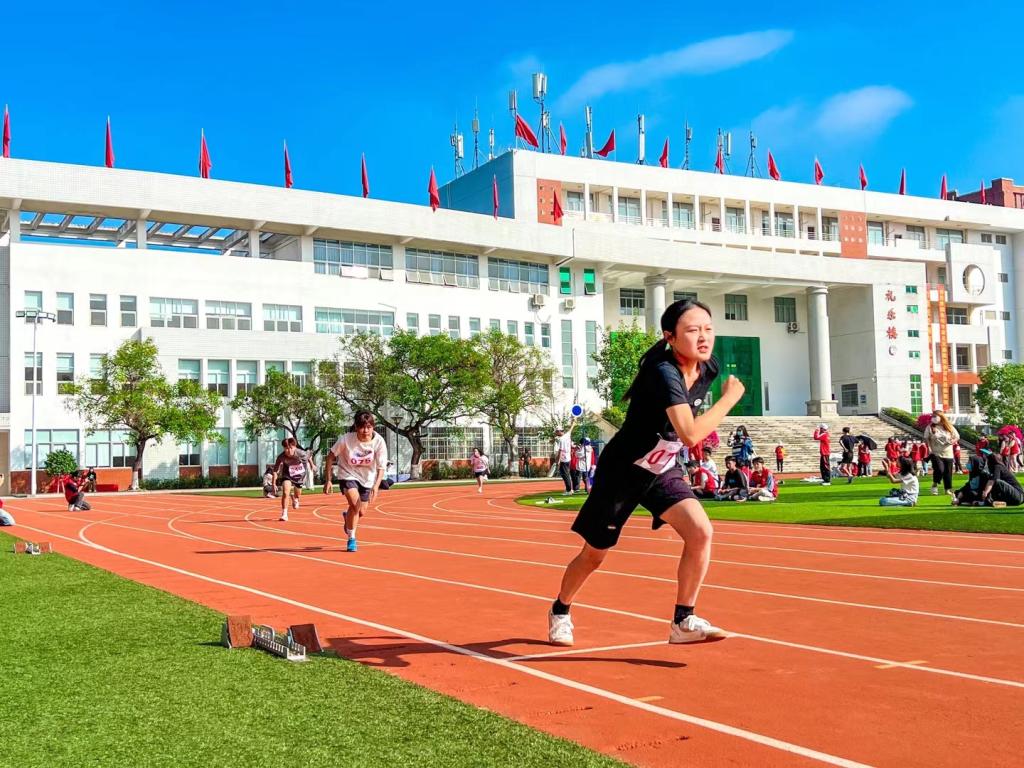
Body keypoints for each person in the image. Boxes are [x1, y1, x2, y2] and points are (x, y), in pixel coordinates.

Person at [548, 298, 745, 647]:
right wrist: (729, 399)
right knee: (594, 555)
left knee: (701, 531)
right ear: (670, 336)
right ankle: (560, 610)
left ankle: (683, 621)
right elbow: (690, 433)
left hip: (663, 467)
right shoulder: (663, 373)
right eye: (693, 330)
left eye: (708, 329)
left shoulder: (708, 367)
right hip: (622, 472)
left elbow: (683, 432)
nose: (704, 337)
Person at [324, 411, 388, 552]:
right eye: (362, 427)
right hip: (348, 474)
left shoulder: (379, 442)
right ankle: (351, 538)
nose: (365, 431)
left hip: (367, 478)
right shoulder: (346, 440)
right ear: (356, 427)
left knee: (361, 511)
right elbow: (330, 458)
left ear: (373, 427)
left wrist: (376, 486)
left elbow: (381, 466)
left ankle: (348, 519)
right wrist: (328, 480)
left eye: (369, 427)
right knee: (355, 504)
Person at [953, 450, 1024, 507]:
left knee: (996, 482)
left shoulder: (998, 467)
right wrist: (959, 496)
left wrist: (985, 493)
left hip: (1018, 496)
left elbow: (992, 481)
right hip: (1010, 497)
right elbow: (967, 486)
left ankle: (987, 502)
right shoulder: (974, 474)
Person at [923, 410, 959, 496]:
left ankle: (947, 489)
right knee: (939, 469)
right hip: (936, 452)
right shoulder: (930, 427)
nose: (933, 418)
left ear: (941, 417)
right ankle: (935, 484)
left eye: (935, 416)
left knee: (948, 472)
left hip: (948, 453)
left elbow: (957, 436)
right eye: (932, 416)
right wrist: (929, 448)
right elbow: (926, 438)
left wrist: (952, 441)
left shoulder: (949, 426)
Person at [272, 437, 308, 521]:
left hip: (299, 474)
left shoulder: (301, 453)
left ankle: (296, 499)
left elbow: (309, 456)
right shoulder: (281, 456)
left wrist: (312, 465)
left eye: (291, 448)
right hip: (287, 474)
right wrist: (273, 483)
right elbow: (275, 470)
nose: (288, 450)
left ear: (295, 447)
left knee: (298, 493)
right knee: (285, 492)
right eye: (286, 448)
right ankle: (284, 514)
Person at [553, 424, 575, 494]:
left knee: (565, 475)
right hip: (568, 458)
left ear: (559, 431)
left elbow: (560, 451)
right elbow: (571, 428)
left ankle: (569, 490)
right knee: (566, 474)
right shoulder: (567, 435)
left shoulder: (561, 439)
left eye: (556, 431)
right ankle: (569, 489)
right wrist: (573, 422)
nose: (556, 433)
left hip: (564, 458)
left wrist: (558, 461)